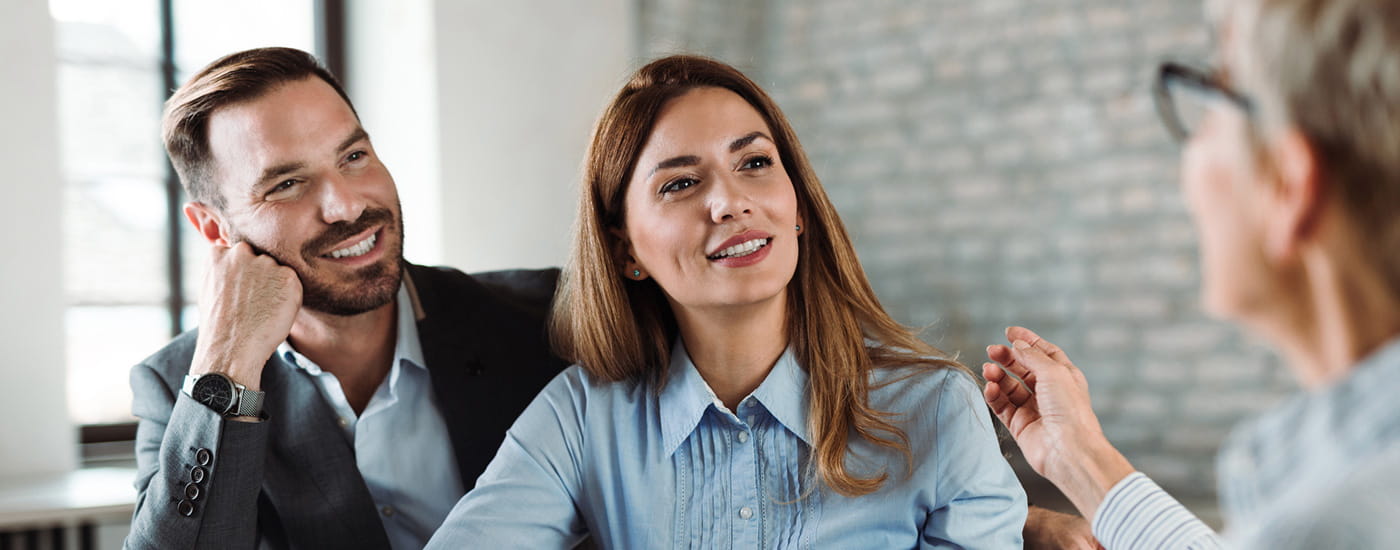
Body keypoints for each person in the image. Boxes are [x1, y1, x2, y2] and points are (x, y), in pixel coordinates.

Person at [426, 55, 1026, 549]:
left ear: (797, 208)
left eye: (756, 163)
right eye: (681, 183)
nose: (732, 202)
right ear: (625, 249)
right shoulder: (582, 418)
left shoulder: (939, 409)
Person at [981, 0, 1400, 548]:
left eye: (1212, 103)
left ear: (1288, 186)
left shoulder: (1331, 523)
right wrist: (1078, 456)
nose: (1190, 162)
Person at [124, 47, 566, 549]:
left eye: (354, 157)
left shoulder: (545, 320)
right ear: (214, 227)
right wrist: (228, 366)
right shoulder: (181, 385)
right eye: (287, 184)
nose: (346, 205)